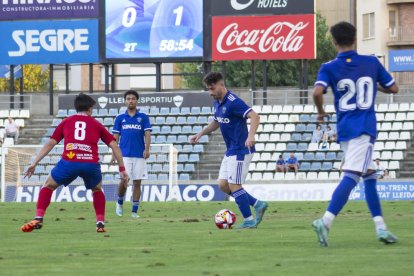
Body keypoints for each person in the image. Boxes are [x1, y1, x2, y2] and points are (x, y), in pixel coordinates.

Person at [312, 22, 399, 247]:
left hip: (345, 129)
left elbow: (317, 91)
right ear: (355, 39)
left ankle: (381, 228)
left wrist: (321, 113)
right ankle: (326, 221)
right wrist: (373, 83)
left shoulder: (328, 67)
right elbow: (393, 88)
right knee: (352, 176)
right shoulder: (371, 62)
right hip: (364, 128)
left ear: (333, 41)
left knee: (370, 175)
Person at [21, 93, 129, 233]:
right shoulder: (96, 124)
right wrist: (122, 169)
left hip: (70, 161)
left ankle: (39, 218)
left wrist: (34, 163)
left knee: (48, 186)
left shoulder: (66, 121)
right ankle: (100, 223)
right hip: (90, 164)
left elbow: (50, 143)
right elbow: (114, 145)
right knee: (97, 190)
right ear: (90, 109)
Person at [190, 72, 268, 229]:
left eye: (212, 89)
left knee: (234, 185)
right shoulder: (217, 102)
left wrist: (251, 136)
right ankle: (258, 204)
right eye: (208, 89)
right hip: (231, 150)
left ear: (221, 85)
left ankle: (249, 219)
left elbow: (255, 116)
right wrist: (200, 133)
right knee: (223, 185)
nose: (210, 92)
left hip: (241, 149)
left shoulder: (233, 102)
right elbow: (216, 122)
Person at [112, 90, 151, 218]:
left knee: (137, 182)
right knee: (124, 181)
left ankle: (134, 211)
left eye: (133, 98)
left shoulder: (143, 117)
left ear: (136, 101)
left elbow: (147, 134)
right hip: (124, 155)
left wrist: (147, 149)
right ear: (125, 101)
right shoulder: (120, 118)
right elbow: (115, 137)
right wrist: (114, 154)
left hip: (139, 154)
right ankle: (119, 202)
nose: (130, 101)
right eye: (128, 98)